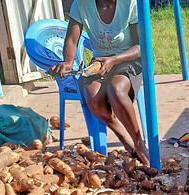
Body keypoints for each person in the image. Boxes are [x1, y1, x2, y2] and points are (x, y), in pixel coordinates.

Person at [51, 0, 149, 165]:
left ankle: (139, 144)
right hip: (100, 63)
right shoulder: (81, 5)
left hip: (128, 60)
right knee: (92, 96)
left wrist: (114, 60)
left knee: (116, 90)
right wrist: (68, 62)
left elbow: (141, 47)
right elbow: (72, 40)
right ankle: (124, 139)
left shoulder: (131, 3)